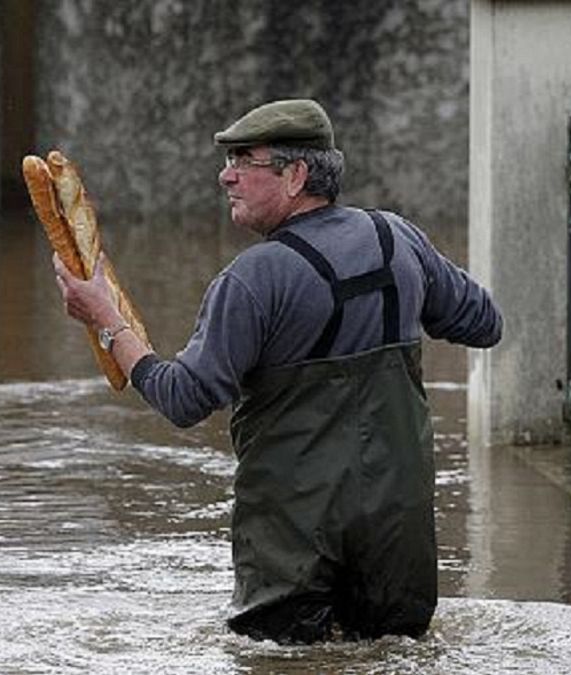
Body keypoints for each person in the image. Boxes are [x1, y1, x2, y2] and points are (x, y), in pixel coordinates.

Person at [52, 98, 502, 643]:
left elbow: (183, 399)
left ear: (296, 176)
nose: (226, 175)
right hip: (398, 533)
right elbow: (484, 324)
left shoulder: (252, 280)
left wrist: (106, 322)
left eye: (244, 160)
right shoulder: (398, 239)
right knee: (392, 654)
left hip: (294, 545)